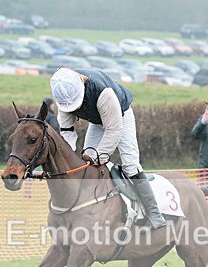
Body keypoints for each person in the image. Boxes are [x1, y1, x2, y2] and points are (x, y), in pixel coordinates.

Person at [50, 67, 166, 229]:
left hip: (120, 117)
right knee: (86, 160)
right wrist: (68, 159)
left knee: (130, 165)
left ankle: (154, 214)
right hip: (98, 121)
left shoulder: (104, 94)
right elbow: (67, 133)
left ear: (81, 89)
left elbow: (114, 130)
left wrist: (99, 156)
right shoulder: (64, 96)